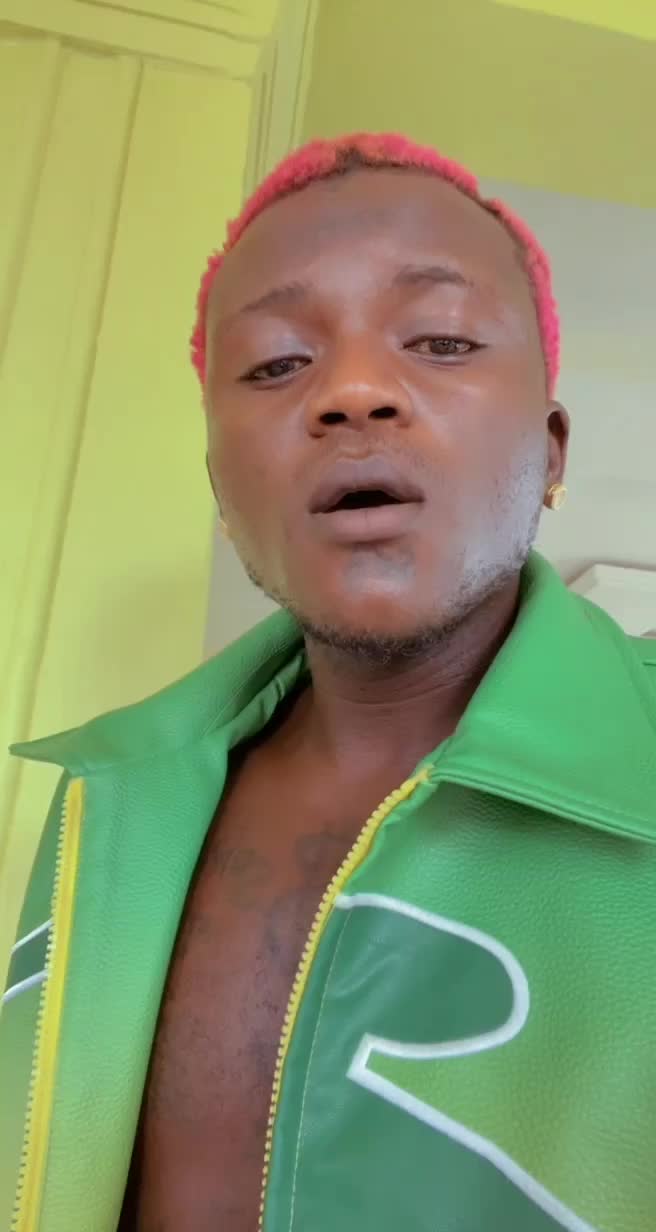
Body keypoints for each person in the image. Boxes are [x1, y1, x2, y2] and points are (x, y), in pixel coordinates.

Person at [1, 131, 655, 1232]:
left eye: (441, 339)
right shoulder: (104, 801)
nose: (352, 391)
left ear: (549, 452)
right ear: (222, 486)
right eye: (274, 363)